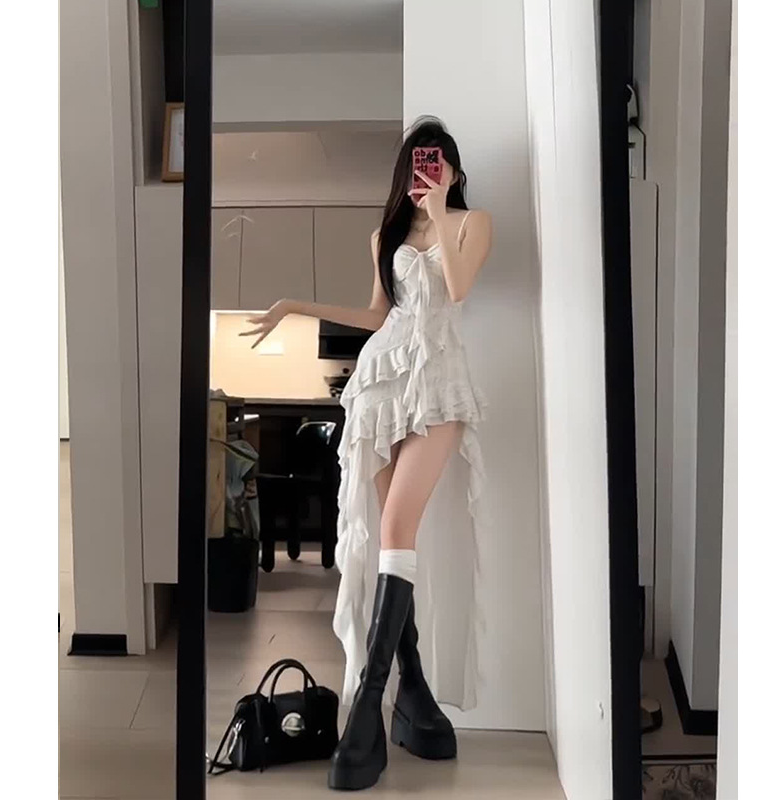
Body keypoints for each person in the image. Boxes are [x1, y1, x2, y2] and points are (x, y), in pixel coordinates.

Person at [242, 116, 492, 791]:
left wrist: (439, 211)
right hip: (382, 381)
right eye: (416, 163)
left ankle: (368, 713)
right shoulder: (383, 237)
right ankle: (412, 697)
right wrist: (294, 304)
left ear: (453, 169)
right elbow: (380, 316)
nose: (425, 171)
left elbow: (458, 290)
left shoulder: (471, 224)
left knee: (397, 528)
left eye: (436, 162)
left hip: (439, 384)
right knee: (387, 540)